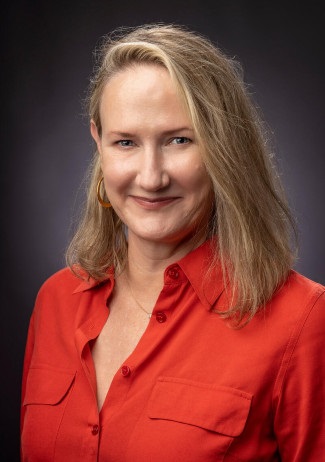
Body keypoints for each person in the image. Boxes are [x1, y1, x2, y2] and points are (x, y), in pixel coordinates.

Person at [20, 23, 325, 461]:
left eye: (179, 140)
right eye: (125, 142)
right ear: (98, 144)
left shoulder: (303, 320)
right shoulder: (55, 301)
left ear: (224, 147)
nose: (151, 176)